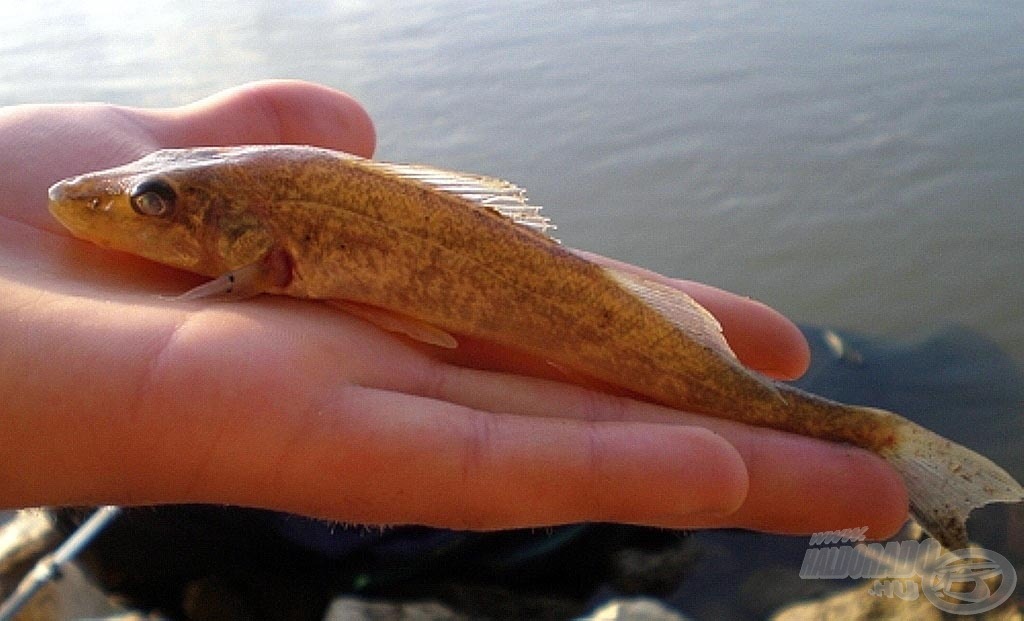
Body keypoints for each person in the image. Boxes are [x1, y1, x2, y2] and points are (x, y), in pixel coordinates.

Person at [0, 80, 906, 539]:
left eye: (153, 201)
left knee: (739, 397)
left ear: (253, 243)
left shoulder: (259, 234)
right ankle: (867, 433)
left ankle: (875, 437)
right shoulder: (243, 213)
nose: (110, 209)